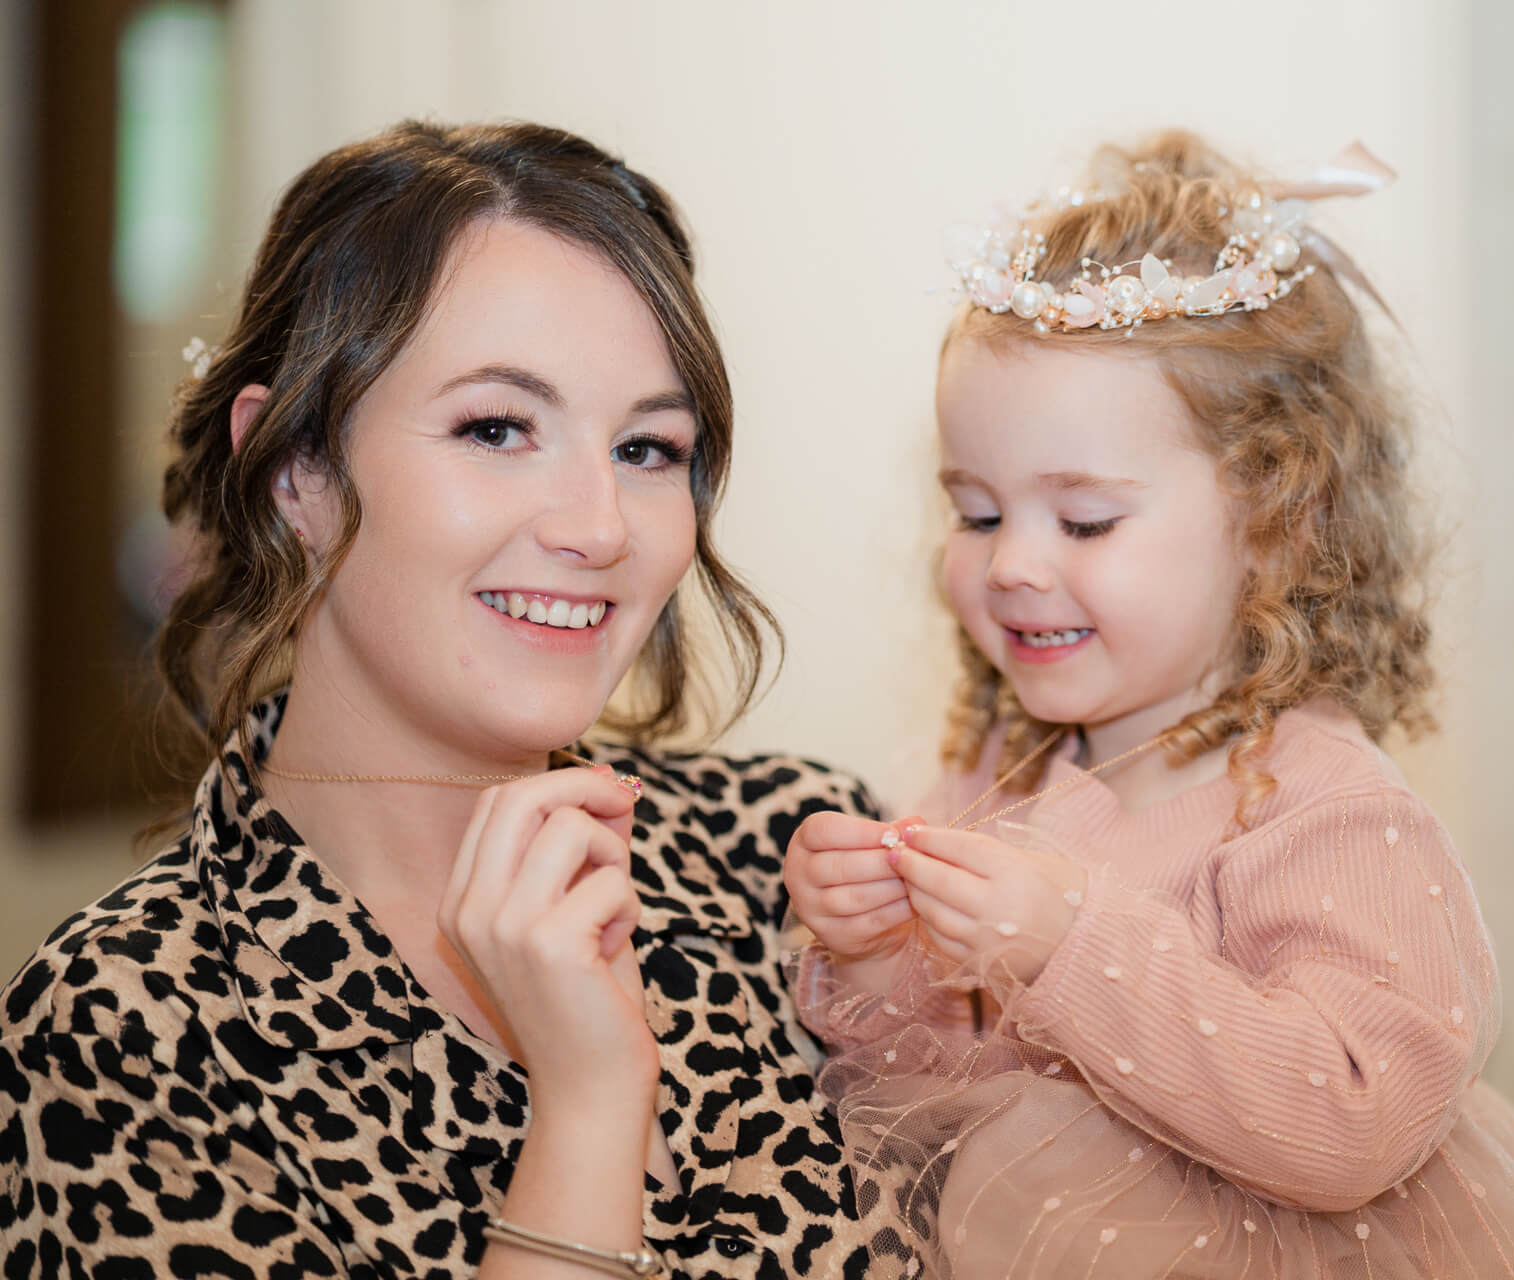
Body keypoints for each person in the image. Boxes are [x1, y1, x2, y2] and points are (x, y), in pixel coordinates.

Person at [0, 120, 884, 1279]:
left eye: (648, 447)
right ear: (293, 469)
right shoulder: (126, 1028)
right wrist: (585, 1103)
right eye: (497, 428)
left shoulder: (795, 857)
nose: (599, 526)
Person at [783, 132, 1514, 1277]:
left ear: (1278, 520)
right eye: (976, 513)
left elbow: (1354, 1120)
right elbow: (924, 1099)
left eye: (1083, 521)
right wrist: (871, 951)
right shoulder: (996, 770)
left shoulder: (1324, 804)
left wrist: (1072, 943)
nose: (1012, 562)